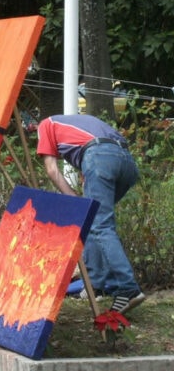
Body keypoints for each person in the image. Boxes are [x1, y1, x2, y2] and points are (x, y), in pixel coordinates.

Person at [36, 113, 145, 315]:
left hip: (98, 157)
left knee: (99, 224)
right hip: (126, 162)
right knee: (94, 221)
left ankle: (128, 288)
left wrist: (73, 197)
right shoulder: (79, 121)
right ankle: (97, 284)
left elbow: (52, 170)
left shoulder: (46, 125)